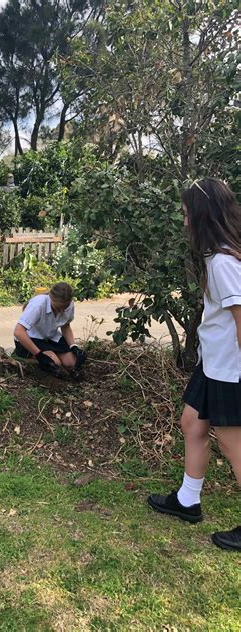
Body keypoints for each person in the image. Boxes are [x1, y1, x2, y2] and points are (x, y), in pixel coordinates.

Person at [148, 178, 241, 552]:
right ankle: (188, 500)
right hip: (214, 364)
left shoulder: (223, 262)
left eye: (186, 212)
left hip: (230, 372)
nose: (184, 221)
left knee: (235, 448)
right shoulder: (222, 254)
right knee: (192, 422)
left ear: (201, 215)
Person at [13, 282, 86, 376]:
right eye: (58, 308)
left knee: (72, 363)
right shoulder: (38, 305)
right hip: (31, 336)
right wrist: (39, 355)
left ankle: (50, 353)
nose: (62, 311)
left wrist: (73, 346)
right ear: (51, 298)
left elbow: (65, 326)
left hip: (50, 336)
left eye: (65, 308)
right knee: (55, 363)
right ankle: (26, 357)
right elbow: (18, 332)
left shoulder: (69, 304)